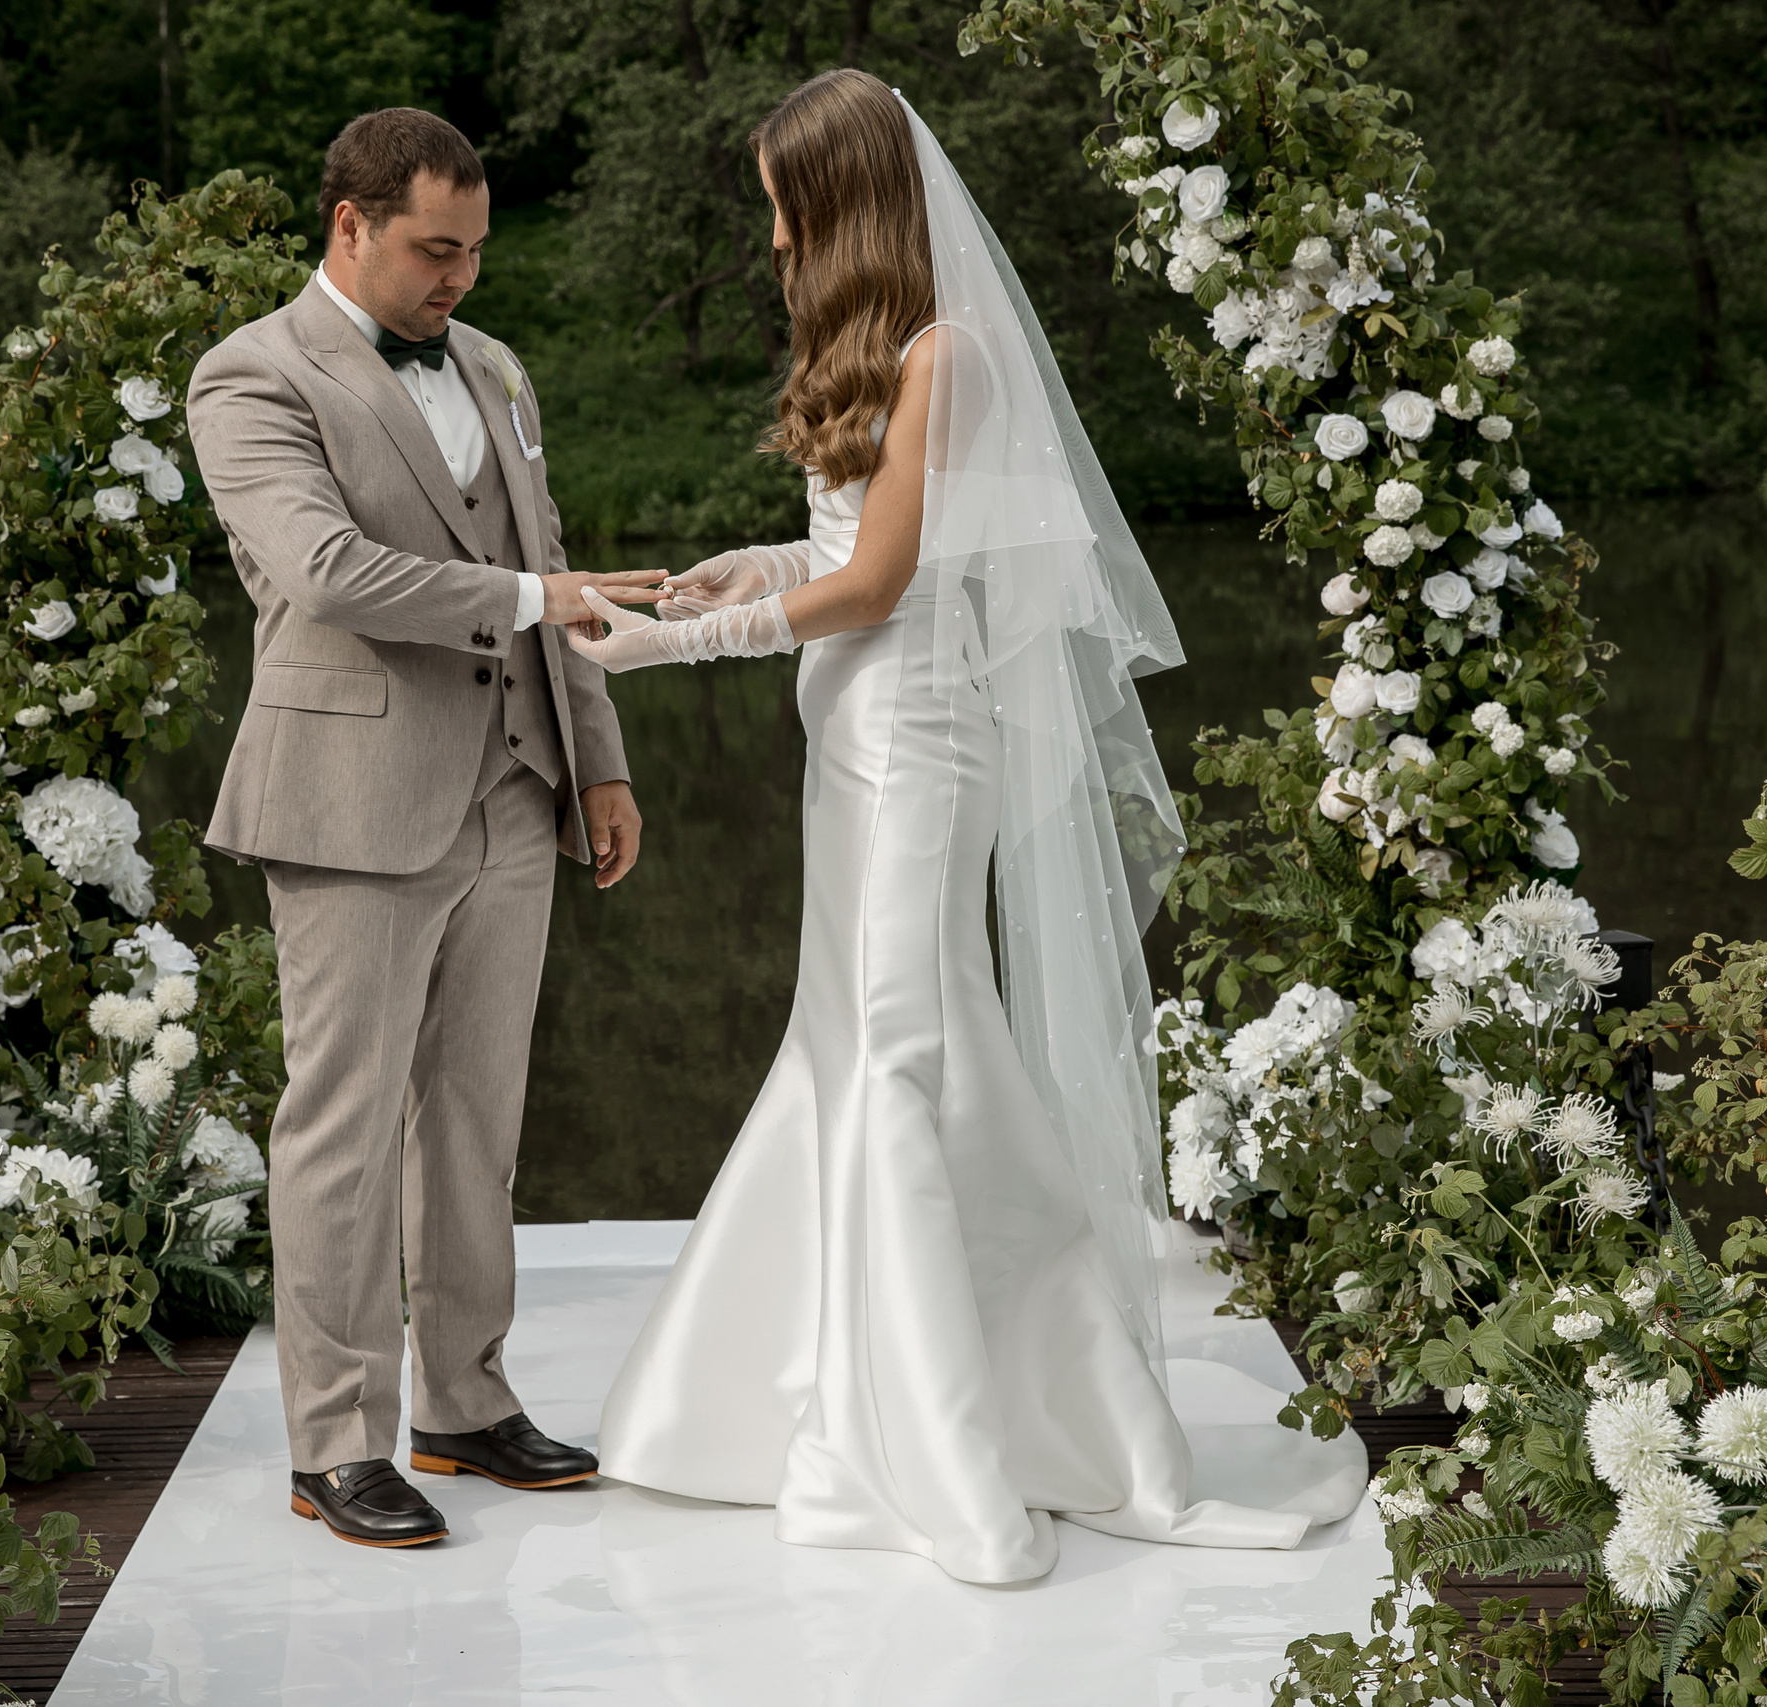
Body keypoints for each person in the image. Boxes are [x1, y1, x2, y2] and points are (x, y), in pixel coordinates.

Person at [577, 70, 1365, 1584]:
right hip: (853, 740)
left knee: (902, 1045)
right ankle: (891, 1390)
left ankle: (945, 1442)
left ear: (847, 200)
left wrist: (671, 654)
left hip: (921, 749)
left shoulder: (948, 355)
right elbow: (847, 548)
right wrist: (740, 572)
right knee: (866, 1045)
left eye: (786, 206)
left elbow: (881, 593)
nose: (776, 238)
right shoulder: (881, 355)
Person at [185, 108, 664, 1550]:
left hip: (516, 790)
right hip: (350, 802)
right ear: (350, 224)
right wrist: (532, 603)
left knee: (475, 1119)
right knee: (340, 1129)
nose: (460, 278)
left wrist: (601, 762)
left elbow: (552, 558)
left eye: (474, 252)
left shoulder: (499, 369)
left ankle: (463, 1404)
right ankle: (335, 1444)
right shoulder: (250, 374)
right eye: (433, 251)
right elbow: (328, 573)